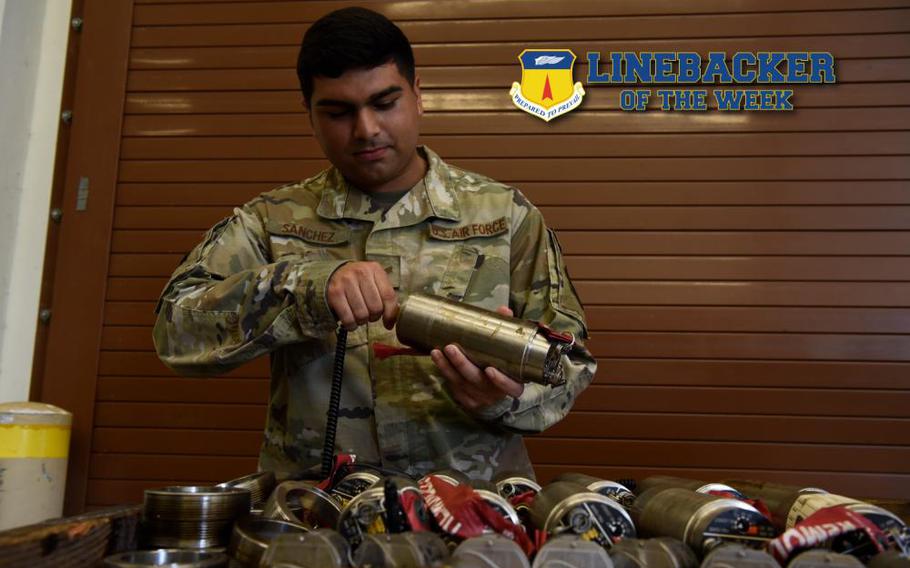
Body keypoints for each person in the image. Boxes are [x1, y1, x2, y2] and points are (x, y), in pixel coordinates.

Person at [153, 7, 596, 481]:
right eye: (339, 112)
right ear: (309, 113)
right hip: (318, 517)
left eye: (385, 103)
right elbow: (176, 332)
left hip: (472, 518)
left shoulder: (504, 216)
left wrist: (506, 399)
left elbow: (570, 361)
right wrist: (304, 288)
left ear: (418, 96)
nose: (366, 130)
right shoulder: (271, 221)